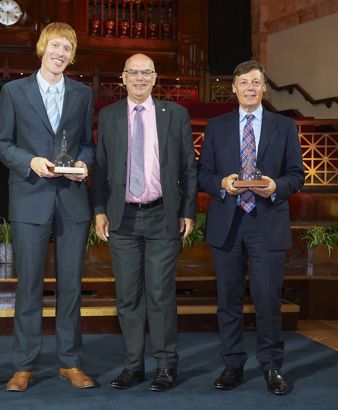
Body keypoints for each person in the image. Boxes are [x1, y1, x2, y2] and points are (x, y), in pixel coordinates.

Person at [0, 22, 96, 391]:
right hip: (30, 197)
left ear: (72, 55)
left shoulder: (83, 93)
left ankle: (71, 362)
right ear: (42, 48)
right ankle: (24, 366)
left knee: (71, 286)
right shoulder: (13, 91)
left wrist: (85, 163)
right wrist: (29, 162)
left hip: (72, 199)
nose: (60, 53)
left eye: (67, 48)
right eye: (55, 46)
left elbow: (88, 144)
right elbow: (2, 143)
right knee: (29, 286)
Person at [92, 53, 198, 392]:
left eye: (146, 72)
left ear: (155, 78)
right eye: (133, 72)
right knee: (127, 297)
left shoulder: (175, 114)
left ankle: (165, 366)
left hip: (162, 215)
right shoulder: (109, 115)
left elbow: (188, 168)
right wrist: (99, 210)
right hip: (122, 218)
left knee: (160, 294)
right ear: (123, 78)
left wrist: (188, 211)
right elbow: (100, 168)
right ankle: (133, 366)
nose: (140, 78)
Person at [198, 60, 304, 395]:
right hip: (227, 223)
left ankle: (272, 366)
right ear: (233, 88)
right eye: (243, 82)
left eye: (256, 82)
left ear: (264, 88)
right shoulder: (216, 127)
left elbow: (296, 175)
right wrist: (222, 183)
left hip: (266, 222)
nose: (249, 88)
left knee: (267, 299)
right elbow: (203, 174)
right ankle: (233, 365)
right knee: (228, 300)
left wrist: (275, 187)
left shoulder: (284, 126)